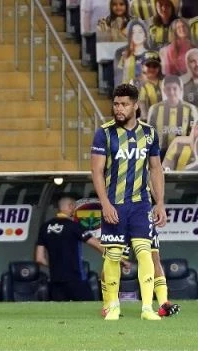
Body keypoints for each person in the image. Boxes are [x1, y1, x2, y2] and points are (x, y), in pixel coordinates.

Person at [90, 83, 167, 321]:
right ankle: (113, 306)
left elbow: (156, 169)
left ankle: (147, 309)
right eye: (116, 104)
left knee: (145, 253)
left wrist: (160, 202)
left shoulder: (150, 133)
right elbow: (96, 171)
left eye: (124, 104)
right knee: (113, 255)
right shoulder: (104, 133)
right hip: (114, 204)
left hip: (141, 204)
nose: (119, 108)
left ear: (135, 106)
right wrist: (105, 203)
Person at [35, 194, 105, 301]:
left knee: (60, 310)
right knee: (88, 308)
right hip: (76, 279)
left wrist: (55, 266)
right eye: (75, 207)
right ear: (71, 206)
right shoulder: (74, 226)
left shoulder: (44, 227)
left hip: (55, 281)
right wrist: (120, 259)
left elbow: (39, 258)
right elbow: (97, 245)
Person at [147, 74, 198, 152]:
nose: (171, 92)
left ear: (180, 89)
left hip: (182, 153)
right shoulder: (155, 109)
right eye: (168, 89)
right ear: (164, 90)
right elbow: (149, 133)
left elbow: (193, 135)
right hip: (160, 152)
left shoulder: (190, 109)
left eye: (174, 88)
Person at [114, 19, 151, 87]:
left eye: (140, 32)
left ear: (145, 35)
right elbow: (119, 78)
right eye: (133, 32)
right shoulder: (124, 55)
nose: (137, 35)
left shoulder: (152, 55)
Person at [137, 52, 163, 119]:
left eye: (154, 66)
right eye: (148, 65)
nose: (151, 69)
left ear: (159, 68)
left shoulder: (165, 82)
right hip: (142, 122)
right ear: (142, 67)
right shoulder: (135, 84)